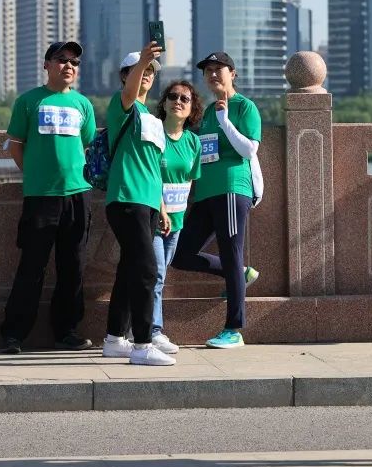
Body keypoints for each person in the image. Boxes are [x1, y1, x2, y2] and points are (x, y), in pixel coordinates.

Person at [0, 41, 96, 354]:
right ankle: (14, 334)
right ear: (47, 65)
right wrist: (35, 173)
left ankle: (66, 331)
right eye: (62, 59)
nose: (69, 66)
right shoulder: (28, 101)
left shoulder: (83, 104)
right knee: (32, 266)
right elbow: (16, 146)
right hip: (41, 196)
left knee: (73, 267)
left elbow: (86, 144)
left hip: (78, 194)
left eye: (74, 62)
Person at [171, 52, 261, 349]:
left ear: (232, 73)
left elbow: (248, 150)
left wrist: (225, 121)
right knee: (180, 254)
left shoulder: (244, 107)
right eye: (208, 70)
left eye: (218, 69)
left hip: (232, 189)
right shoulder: (209, 111)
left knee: (231, 252)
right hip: (206, 193)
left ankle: (234, 329)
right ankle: (238, 274)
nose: (212, 74)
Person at [101, 42, 176, 366]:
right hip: (126, 197)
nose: (146, 74)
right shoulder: (123, 106)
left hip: (147, 202)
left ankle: (114, 338)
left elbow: (152, 165)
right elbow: (130, 93)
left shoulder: (153, 118)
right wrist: (145, 59)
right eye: (138, 70)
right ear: (124, 76)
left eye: (151, 72)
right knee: (147, 269)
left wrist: (161, 207)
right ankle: (143, 344)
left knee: (129, 269)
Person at [142, 79, 204, 354]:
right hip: (154, 218)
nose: (178, 101)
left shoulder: (193, 142)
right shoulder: (155, 135)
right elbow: (149, 175)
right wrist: (161, 210)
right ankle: (153, 331)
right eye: (173, 96)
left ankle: (137, 324)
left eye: (184, 99)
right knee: (156, 274)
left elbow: (190, 181)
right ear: (164, 103)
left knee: (159, 275)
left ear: (192, 109)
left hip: (176, 222)